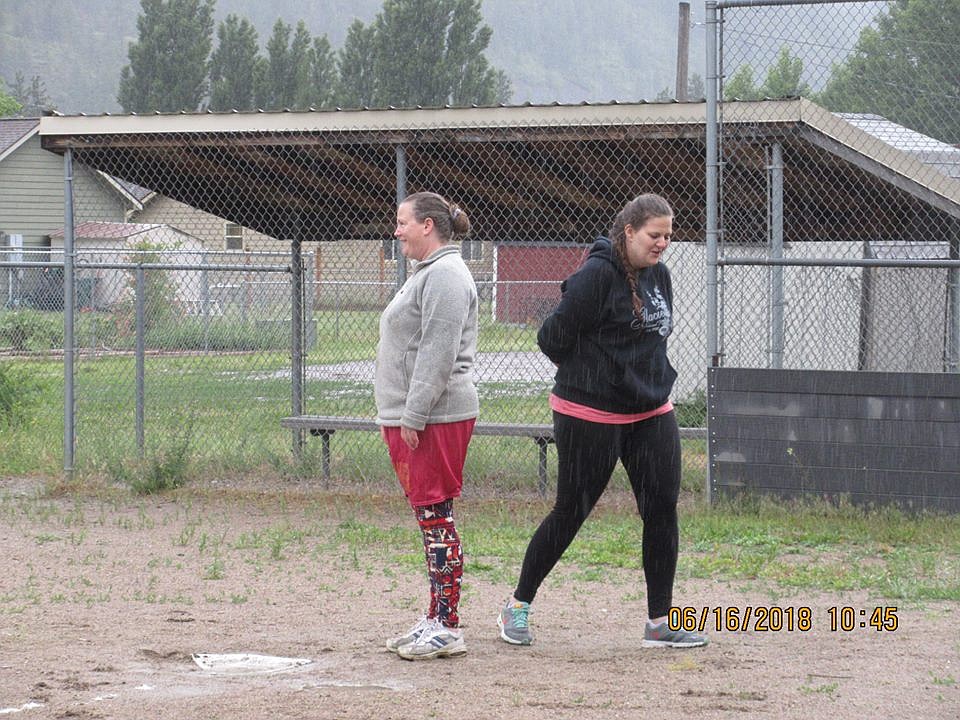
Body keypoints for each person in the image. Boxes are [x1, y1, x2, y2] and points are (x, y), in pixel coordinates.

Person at [497, 193, 707, 649]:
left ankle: (659, 622)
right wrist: (596, 371)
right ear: (629, 231)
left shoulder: (660, 276)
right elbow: (551, 337)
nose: (663, 243)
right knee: (572, 510)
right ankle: (517, 606)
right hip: (589, 411)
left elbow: (653, 338)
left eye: (669, 236)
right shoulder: (595, 276)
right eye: (655, 235)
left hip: (650, 410)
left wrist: (639, 379)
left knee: (662, 510)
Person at [374, 191, 479, 660]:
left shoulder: (446, 277)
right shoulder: (429, 274)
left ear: (428, 226)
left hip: (434, 416)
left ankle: (448, 625)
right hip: (416, 415)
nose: (397, 231)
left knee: (437, 517)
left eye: (402, 223)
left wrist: (413, 414)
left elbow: (437, 352)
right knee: (430, 517)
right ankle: (436, 616)